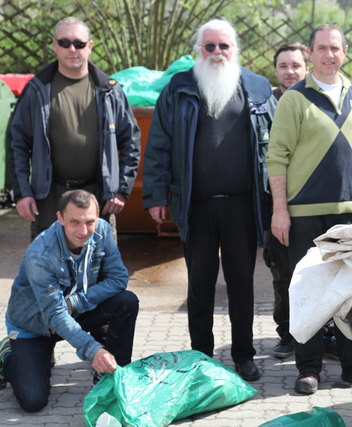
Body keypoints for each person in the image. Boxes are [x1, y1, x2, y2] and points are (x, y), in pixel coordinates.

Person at [266, 23, 352, 395]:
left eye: (334, 48)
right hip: (303, 212)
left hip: (349, 212)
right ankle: (308, 369)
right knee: (308, 291)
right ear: (310, 53)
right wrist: (280, 210)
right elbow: (276, 157)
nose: (328, 54)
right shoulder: (294, 99)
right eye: (321, 48)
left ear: (344, 52)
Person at [142, 19, 275, 382]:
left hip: (242, 206)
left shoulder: (259, 88)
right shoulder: (179, 87)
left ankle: (244, 355)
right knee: (199, 285)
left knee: (242, 285)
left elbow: (276, 149)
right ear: (198, 50)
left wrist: (276, 200)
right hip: (196, 205)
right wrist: (156, 195)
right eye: (210, 47)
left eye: (223, 46)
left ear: (235, 50)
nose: (217, 53)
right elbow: (159, 145)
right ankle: (200, 356)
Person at [0, 190, 139, 412]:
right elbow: (55, 315)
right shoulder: (40, 255)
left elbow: (119, 278)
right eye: (74, 222)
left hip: (72, 311)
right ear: (60, 218)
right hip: (36, 325)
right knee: (33, 400)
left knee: (126, 301)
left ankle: (112, 376)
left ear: (97, 218)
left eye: (89, 221)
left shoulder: (102, 231)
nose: (83, 230)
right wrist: (93, 349)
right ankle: (8, 356)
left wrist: (75, 302)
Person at [8, 17, 140, 239]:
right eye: (64, 43)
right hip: (50, 197)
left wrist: (121, 190)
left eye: (79, 44)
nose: (72, 49)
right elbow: (17, 144)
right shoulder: (36, 90)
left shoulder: (109, 91)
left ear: (90, 47)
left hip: (98, 195)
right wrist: (22, 193)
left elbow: (131, 142)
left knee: (99, 267)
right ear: (54, 45)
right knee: (49, 269)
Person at [265, 42, 309, 359]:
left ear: (306, 67)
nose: (289, 71)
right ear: (276, 70)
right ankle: (287, 332)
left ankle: (326, 335)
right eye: (283, 66)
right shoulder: (264, 105)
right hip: (276, 204)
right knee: (282, 274)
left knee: (317, 273)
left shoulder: (318, 102)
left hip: (314, 204)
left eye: (295, 65)